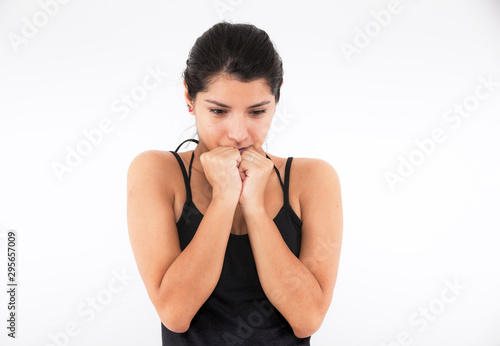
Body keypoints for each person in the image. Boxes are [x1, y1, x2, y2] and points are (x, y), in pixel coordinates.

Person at [127, 21, 343, 345]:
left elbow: (307, 319)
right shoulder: (156, 173)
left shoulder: (312, 180)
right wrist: (225, 198)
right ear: (189, 95)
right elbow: (175, 312)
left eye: (256, 112)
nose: (239, 133)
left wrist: (254, 206)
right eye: (219, 111)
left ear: (277, 96)